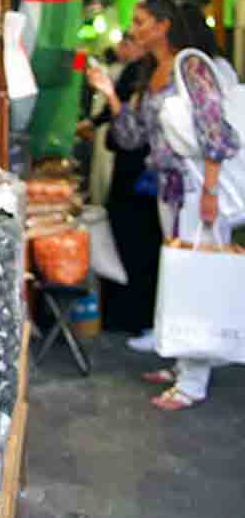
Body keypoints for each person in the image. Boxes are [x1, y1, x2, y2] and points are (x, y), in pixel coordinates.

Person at [87, 0, 241, 411]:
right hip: (167, 187)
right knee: (178, 271)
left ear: (163, 25)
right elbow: (136, 137)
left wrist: (209, 191)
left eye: (140, 21)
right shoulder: (152, 73)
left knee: (197, 274)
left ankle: (193, 381)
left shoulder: (190, 67)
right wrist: (110, 97)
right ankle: (180, 362)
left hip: (195, 187)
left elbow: (217, 132)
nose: (133, 28)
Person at [80, 33, 163, 348]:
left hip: (141, 175)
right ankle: (131, 316)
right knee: (134, 242)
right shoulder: (142, 72)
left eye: (141, 27)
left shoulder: (152, 74)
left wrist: (110, 98)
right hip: (136, 173)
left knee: (137, 243)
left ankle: (137, 318)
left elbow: (131, 132)